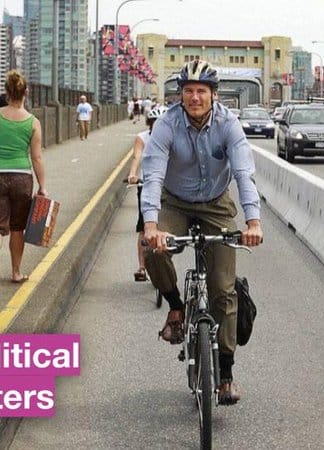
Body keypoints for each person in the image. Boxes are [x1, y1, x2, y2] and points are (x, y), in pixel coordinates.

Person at [141, 59, 263, 405]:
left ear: (214, 95)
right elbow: (153, 174)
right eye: (188, 91)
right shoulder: (166, 124)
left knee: (223, 290)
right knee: (152, 251)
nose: (195, 97)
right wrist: (151, 225)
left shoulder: (229, 125)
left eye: (201, 91)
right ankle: (176, 307)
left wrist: (253, 222)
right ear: (180, 95)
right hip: (175, 202)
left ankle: (226, 374)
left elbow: (243, 173)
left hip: (216, 203)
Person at [0, 70, 47, 289]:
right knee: (17, 227)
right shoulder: (33, 122)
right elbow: (36, 157)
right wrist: (42, 186)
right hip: (21, 177)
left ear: (6, 91)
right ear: (26, 92)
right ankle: (16, 272)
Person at [126, 106, 167, 282]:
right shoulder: (142, 138)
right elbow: (136, 157)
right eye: (155, 122)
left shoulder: (171, 137)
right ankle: (142, 267)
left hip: (167, 187)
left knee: (166, 225)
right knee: (144, 227)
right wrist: (133, 174)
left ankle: (164, 265)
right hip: (147, 185)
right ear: (150, 123)